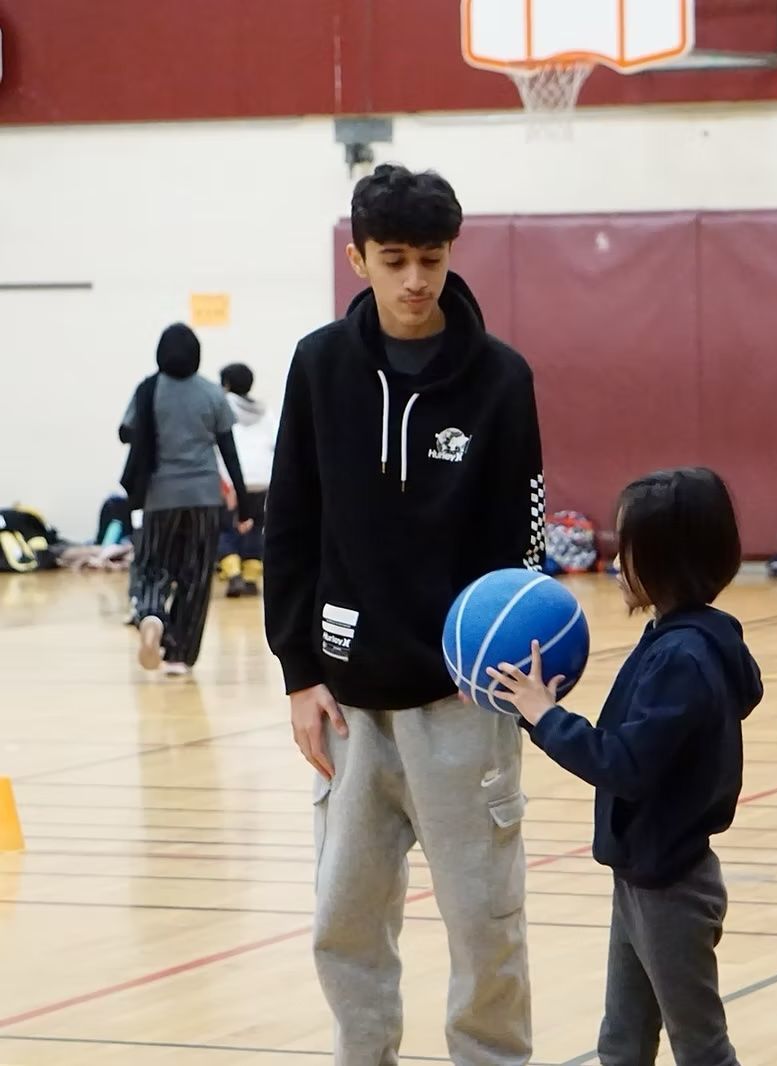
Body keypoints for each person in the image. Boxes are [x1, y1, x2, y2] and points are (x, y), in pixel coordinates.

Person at [263, 164, 545, 1066]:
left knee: (485, 927)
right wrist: (298, 673)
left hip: (464, 704)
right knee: (343, 927)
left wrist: (511, 673)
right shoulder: (319, 366)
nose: (416, 279)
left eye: (431, 258)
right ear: (360, 259)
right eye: (395, 259)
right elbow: (291, 525)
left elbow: (523, 541)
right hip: (346, 706)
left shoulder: (502, 380)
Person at [489, 467, 761, 1066]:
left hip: (672, 889)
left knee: (702, 1049)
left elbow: (625, 763)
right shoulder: (679, 639)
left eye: (627, 550)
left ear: (666, 560)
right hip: (644, 876)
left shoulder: (684, 659)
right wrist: (520, 705)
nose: (614, 563)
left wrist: (545, 718)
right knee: (623, 1040)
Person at [119, 323, 252, 677]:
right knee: (195, 574)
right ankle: (179, 656)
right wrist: (243, 500)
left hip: (159, 496)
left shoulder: (149, 390)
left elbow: (125, 432)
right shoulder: (211, 393)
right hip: (205, 497)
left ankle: (151, 616)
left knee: (151, 565)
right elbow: (229, 452)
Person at [217, 362, 276, 598]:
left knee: (226, 529)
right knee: (257, 529)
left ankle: (233, 576)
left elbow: (217, 447)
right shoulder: (264, 412)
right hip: (262, 480)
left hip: (233, 481)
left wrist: (225, 485)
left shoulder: (222, 408)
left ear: (227, 385)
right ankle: (251, 579)